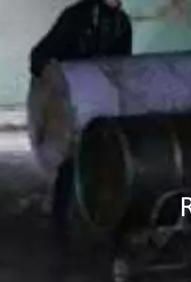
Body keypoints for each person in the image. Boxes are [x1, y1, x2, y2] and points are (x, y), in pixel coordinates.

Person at [30, 0, 134, 242]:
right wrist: (57, 83)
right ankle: (60, 225)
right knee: (72, 162)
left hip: (104, 105)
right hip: (71, 104)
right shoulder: (75, 17)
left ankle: (107, 219)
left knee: (109, 160)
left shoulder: (122, 23)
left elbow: (123, 66)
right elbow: (39, 56)